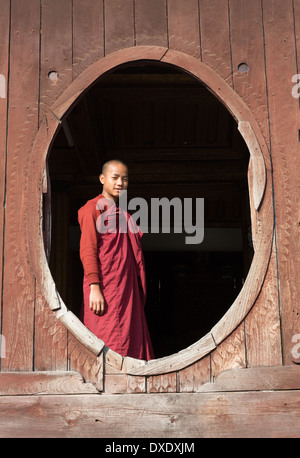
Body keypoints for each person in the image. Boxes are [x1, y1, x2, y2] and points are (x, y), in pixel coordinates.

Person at [78, 159, 154, 361]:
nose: (120, 183)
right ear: (102, 179)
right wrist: (94, 286)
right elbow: (88, 249)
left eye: (125, 179)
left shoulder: (124, 216)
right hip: (105, 290)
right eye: (115, 178)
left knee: (132, 342)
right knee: (105, 343)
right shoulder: (92, 209)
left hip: (127, 294)